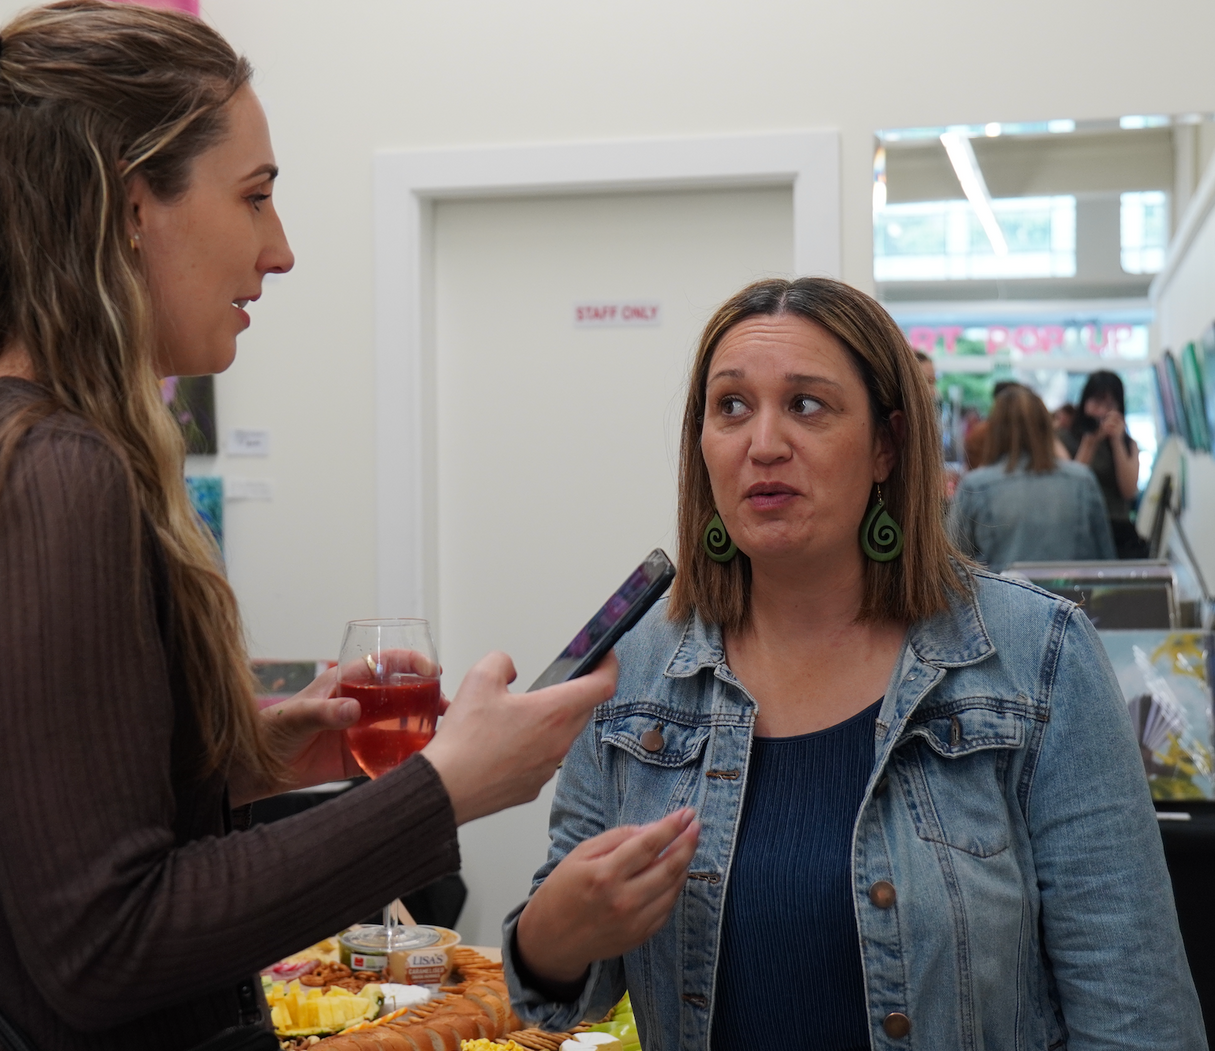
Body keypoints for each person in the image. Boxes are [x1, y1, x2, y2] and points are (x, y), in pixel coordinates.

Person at [0, 3, 617, 1051]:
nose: (278, 251)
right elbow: (107, 943)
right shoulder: (51, 474)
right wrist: (443, 788)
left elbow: (7, 810)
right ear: (128, 204)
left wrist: (239, 758)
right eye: (255, 198)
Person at [502, 277, 1204, 1050]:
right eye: (730, 406)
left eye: (806, 404)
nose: (761, 442)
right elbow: (565, 997)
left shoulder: (1035, 658)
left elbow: (1137, 1017)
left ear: (885, 445)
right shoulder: (631, 677)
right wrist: (549, 937)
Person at [947, 384, 1115, 571]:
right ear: (1046, 426)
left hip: (1001, 597)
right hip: (1073, 598)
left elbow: (954, 565)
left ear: (994, 429)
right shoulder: (1082, 480)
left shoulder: (976, 486)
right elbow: (1105, 561)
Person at [1058, 371, 1144, 558]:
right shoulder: (1065, 438)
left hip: (1117, 528)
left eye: (1110, 405)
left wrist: (1117, 442)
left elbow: (1129, 491)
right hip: (1080, 526)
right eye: (1096, 403)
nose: (1102, 412)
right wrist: (1090, 444)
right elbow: (1070, 487)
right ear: (1084, 402)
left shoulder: (1129, 444)